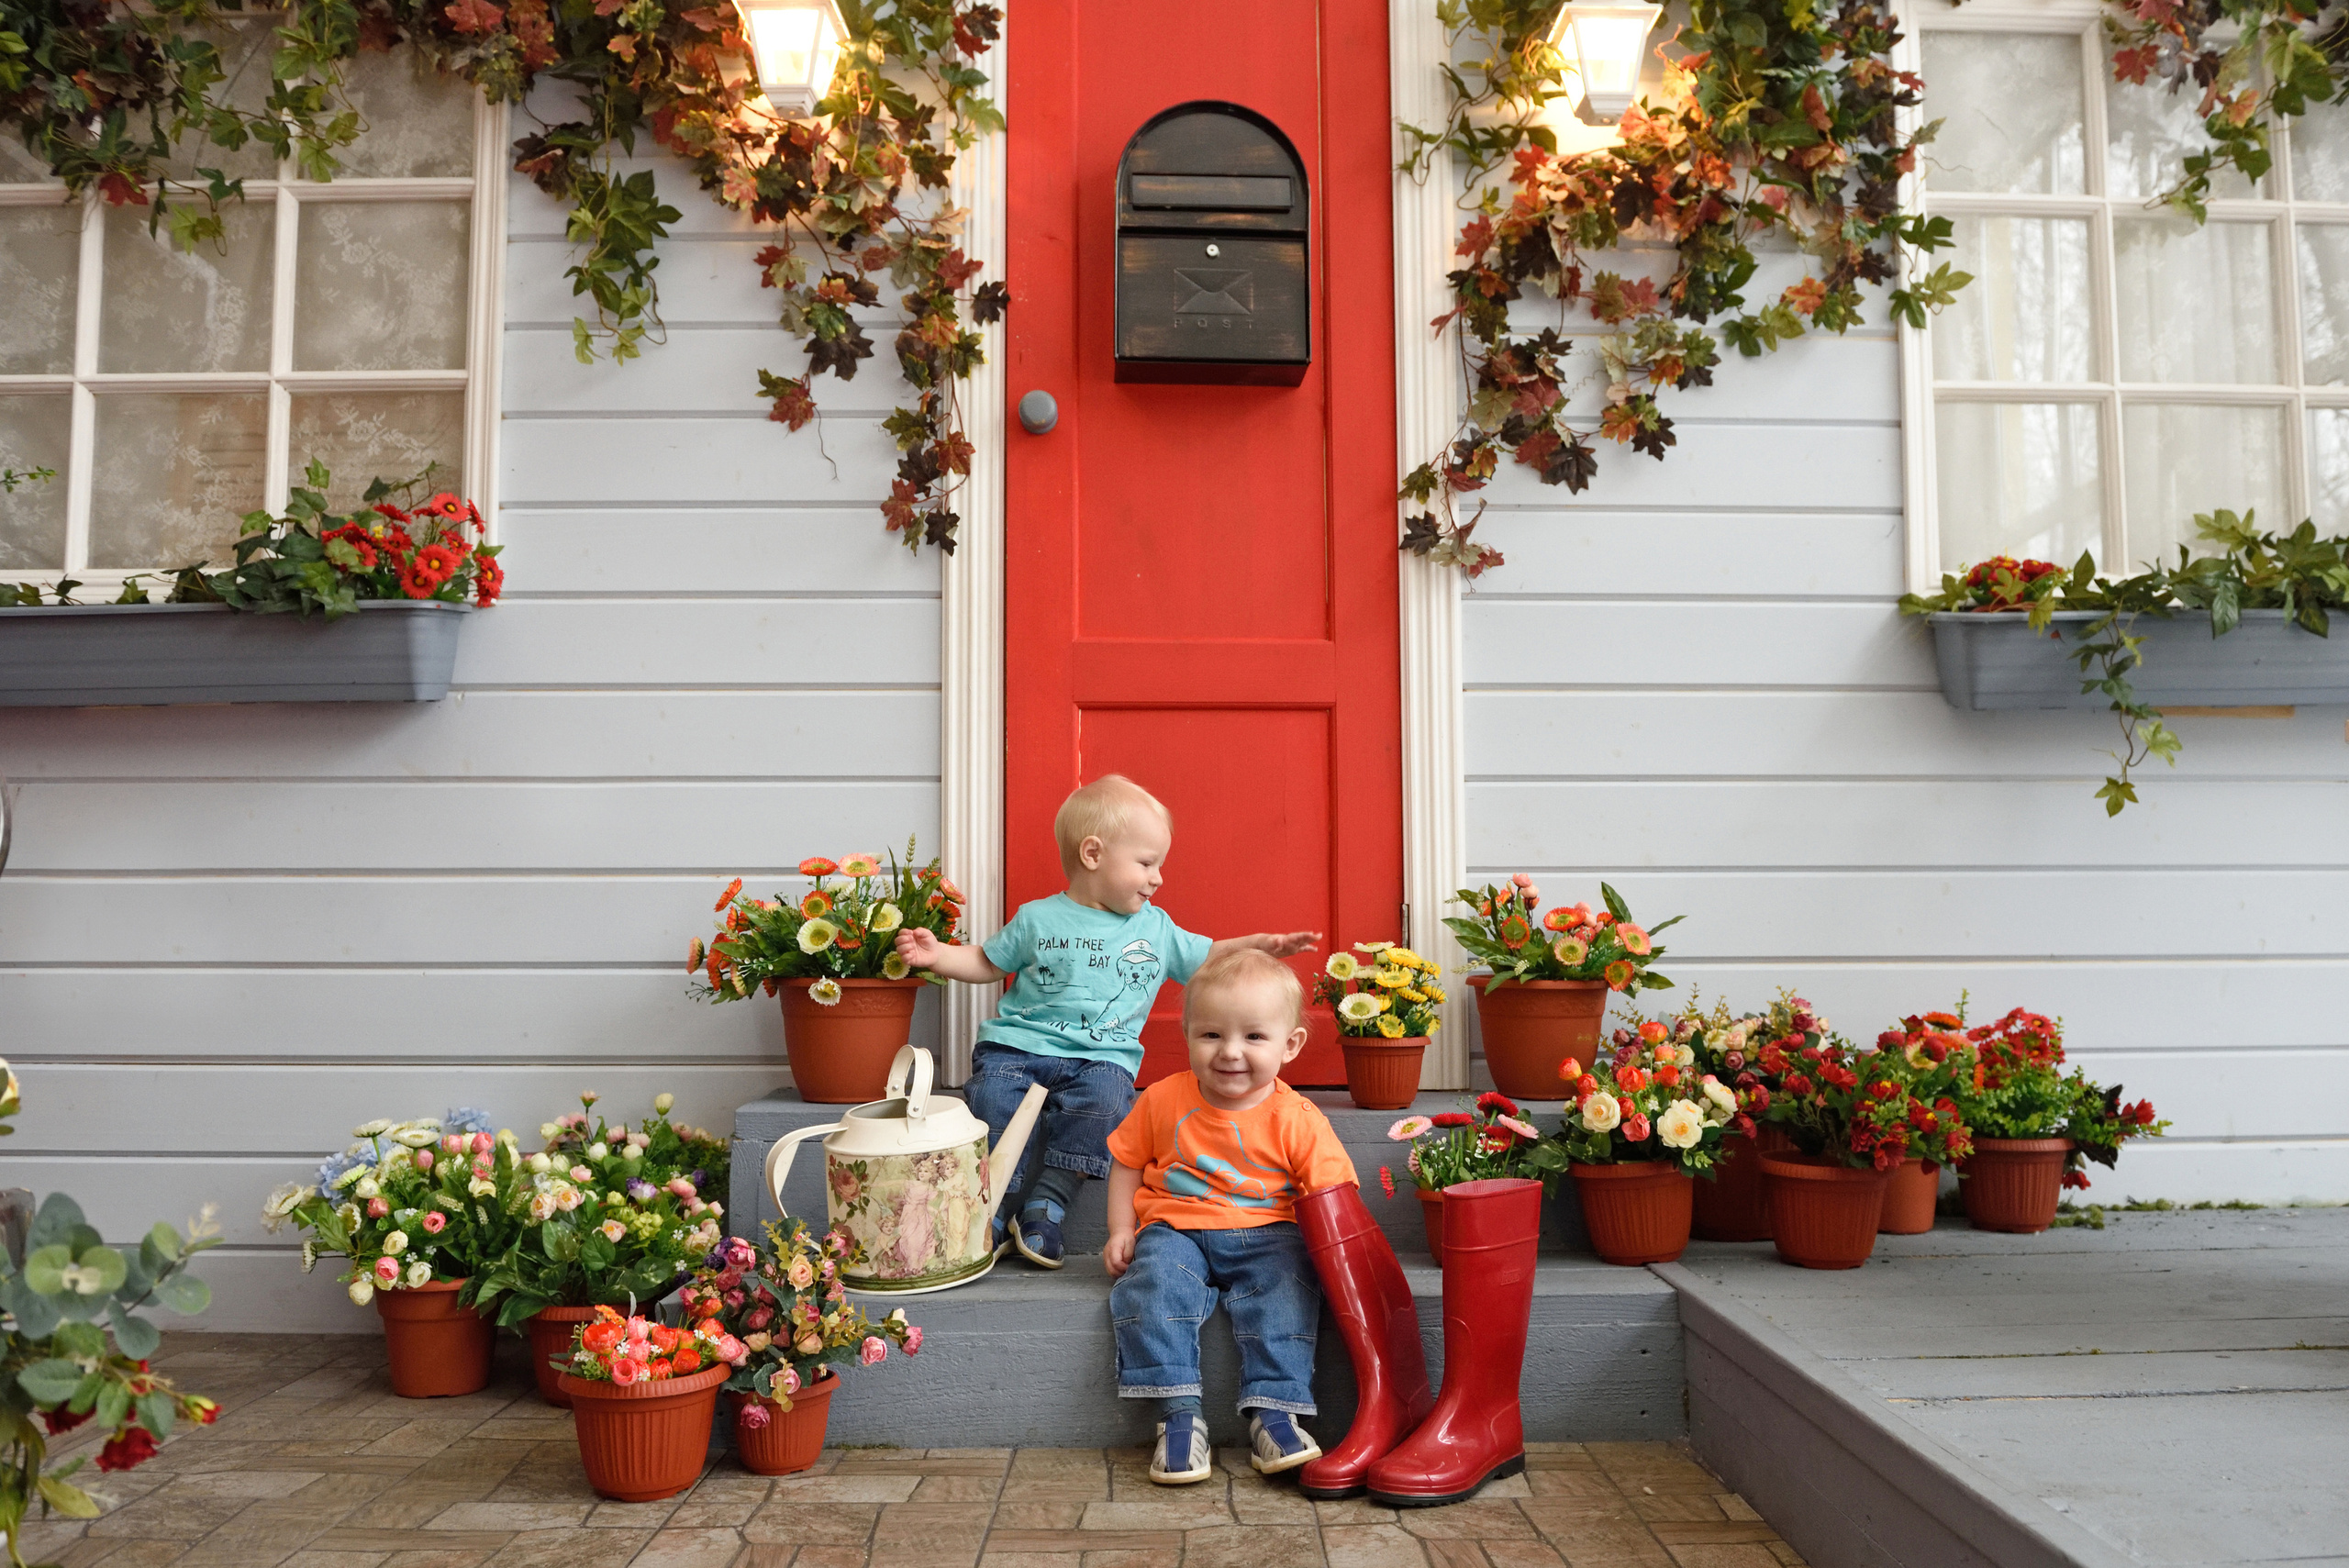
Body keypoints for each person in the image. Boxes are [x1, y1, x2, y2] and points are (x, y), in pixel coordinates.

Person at [893, 774, 1319, 1267]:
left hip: (1100, 1058)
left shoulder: (1155, 927)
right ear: (1093, 854)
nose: (1157, 878)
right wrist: (938, 954)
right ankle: (993, 1207)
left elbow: (1206, 959)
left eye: (1159, 864)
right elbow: (989, 964)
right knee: (990, 1099)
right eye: (1145, 863)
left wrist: (1258, 945)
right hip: (1017, 1049)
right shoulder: (1036, 918)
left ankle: (1047, 1203)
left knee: (1109, 1101)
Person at [1101, 948, 1356, 1485]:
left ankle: (1274, 1412)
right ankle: (1178, 1417)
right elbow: (1127, 1161)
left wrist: (1339, 1258)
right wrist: (1122, 1228)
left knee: (1288, 1285)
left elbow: (1334, 1192)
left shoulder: (1297, 1117)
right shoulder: (1163, 1098)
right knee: (1152, 1286)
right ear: (1188, 1033)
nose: (1230, 1053)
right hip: (1176, 1228)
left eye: (1254, 1037)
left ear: (1290, 1045)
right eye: (1211, 1034)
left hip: (1270, 1233)